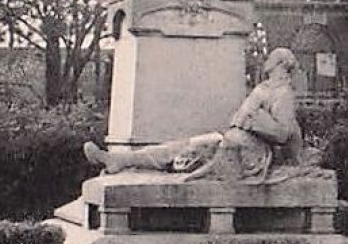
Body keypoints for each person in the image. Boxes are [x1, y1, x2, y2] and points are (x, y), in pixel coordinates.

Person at [83, 47, 305, 183]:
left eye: (271, 58)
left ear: (279, 64)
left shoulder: (282, 93)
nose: (266, 61)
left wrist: (256, 123)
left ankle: (121, 161)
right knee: (181, 146)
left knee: (190, 151)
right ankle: (120, 160)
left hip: (249, 154)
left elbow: (284, 134)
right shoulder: (264, 87)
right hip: (232, 140)